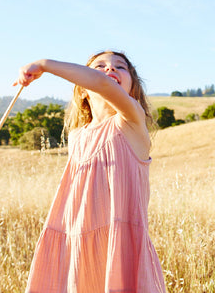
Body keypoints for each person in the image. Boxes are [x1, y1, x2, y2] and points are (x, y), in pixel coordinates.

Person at [13, 51, 166, 293]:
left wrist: (44, 64)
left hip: (118, 245)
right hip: (76, 244)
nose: (110, 70)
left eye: (120, 67)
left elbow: (103, 84)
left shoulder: (130, 121)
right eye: (100, 66)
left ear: (133, 88)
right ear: (82, 89)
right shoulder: (77, 136)